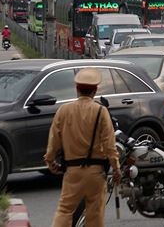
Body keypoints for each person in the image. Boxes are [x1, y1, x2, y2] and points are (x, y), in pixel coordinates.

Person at [44, 68, 121, 227]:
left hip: (72, 172)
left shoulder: (64, 110)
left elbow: (54, 140)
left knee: (65, 210)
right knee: (95, 213)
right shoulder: (101, 111)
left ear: (77, 89)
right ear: (95, 90)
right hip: (96, 173)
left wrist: (50, 161)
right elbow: (109, 145)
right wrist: (116, 168)